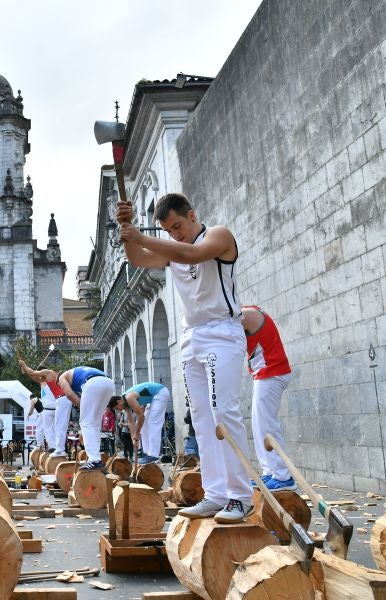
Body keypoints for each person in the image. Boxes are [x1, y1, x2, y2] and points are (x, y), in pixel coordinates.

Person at [117, 191, 251, 523]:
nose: (175, 234)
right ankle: (216, 493)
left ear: (192, 215)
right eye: (169, 230)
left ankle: (241, 496)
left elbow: (191, 254)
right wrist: (127, 226)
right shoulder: (172, 251)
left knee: (224, 412)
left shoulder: (218, 236)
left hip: (222, 331)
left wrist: (141, 235)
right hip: (192, 337)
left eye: (178, 225)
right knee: (201, 419)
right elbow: (137, 258)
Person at [242, 305, 296, 490]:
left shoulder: (244, 314)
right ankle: (270, 472)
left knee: (267, 425)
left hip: (272, 373)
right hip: (265, 374)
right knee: (259, 426)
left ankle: (283, 476)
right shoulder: (245, 312)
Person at [58, 367, 114, 470]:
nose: (61, 388)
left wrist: (83, 408)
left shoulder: (62, 377)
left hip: (93, 384)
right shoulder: (77, 373)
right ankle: (96, 458)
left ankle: (94, 459)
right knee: (95, 423)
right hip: (109, 383)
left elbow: (69, 394)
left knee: (85, 422)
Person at [119, 382, 170, 464]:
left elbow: (141, 416)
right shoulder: (126, 404)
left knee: (153, 423)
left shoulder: (129, 397)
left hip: (160, 393)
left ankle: (153, 455)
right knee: (145, 425)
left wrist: (137, 433)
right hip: (153, 399)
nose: (119, 409)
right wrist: (133, 439)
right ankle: (147, 453)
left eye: (117, 407)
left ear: (119, 401)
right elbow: (131, 422)